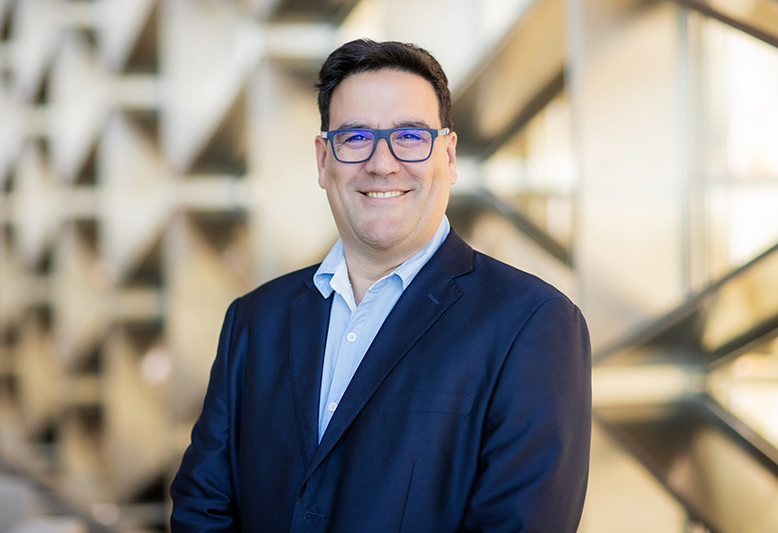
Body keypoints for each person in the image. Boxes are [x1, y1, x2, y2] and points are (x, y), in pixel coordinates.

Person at [170, 39, 592, 533]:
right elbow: (202, 509)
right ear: (323, 161)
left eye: (410, 136)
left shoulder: (532, 323)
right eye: (355, 138)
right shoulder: (255, 319)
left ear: (449, 156)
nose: (383, 164)